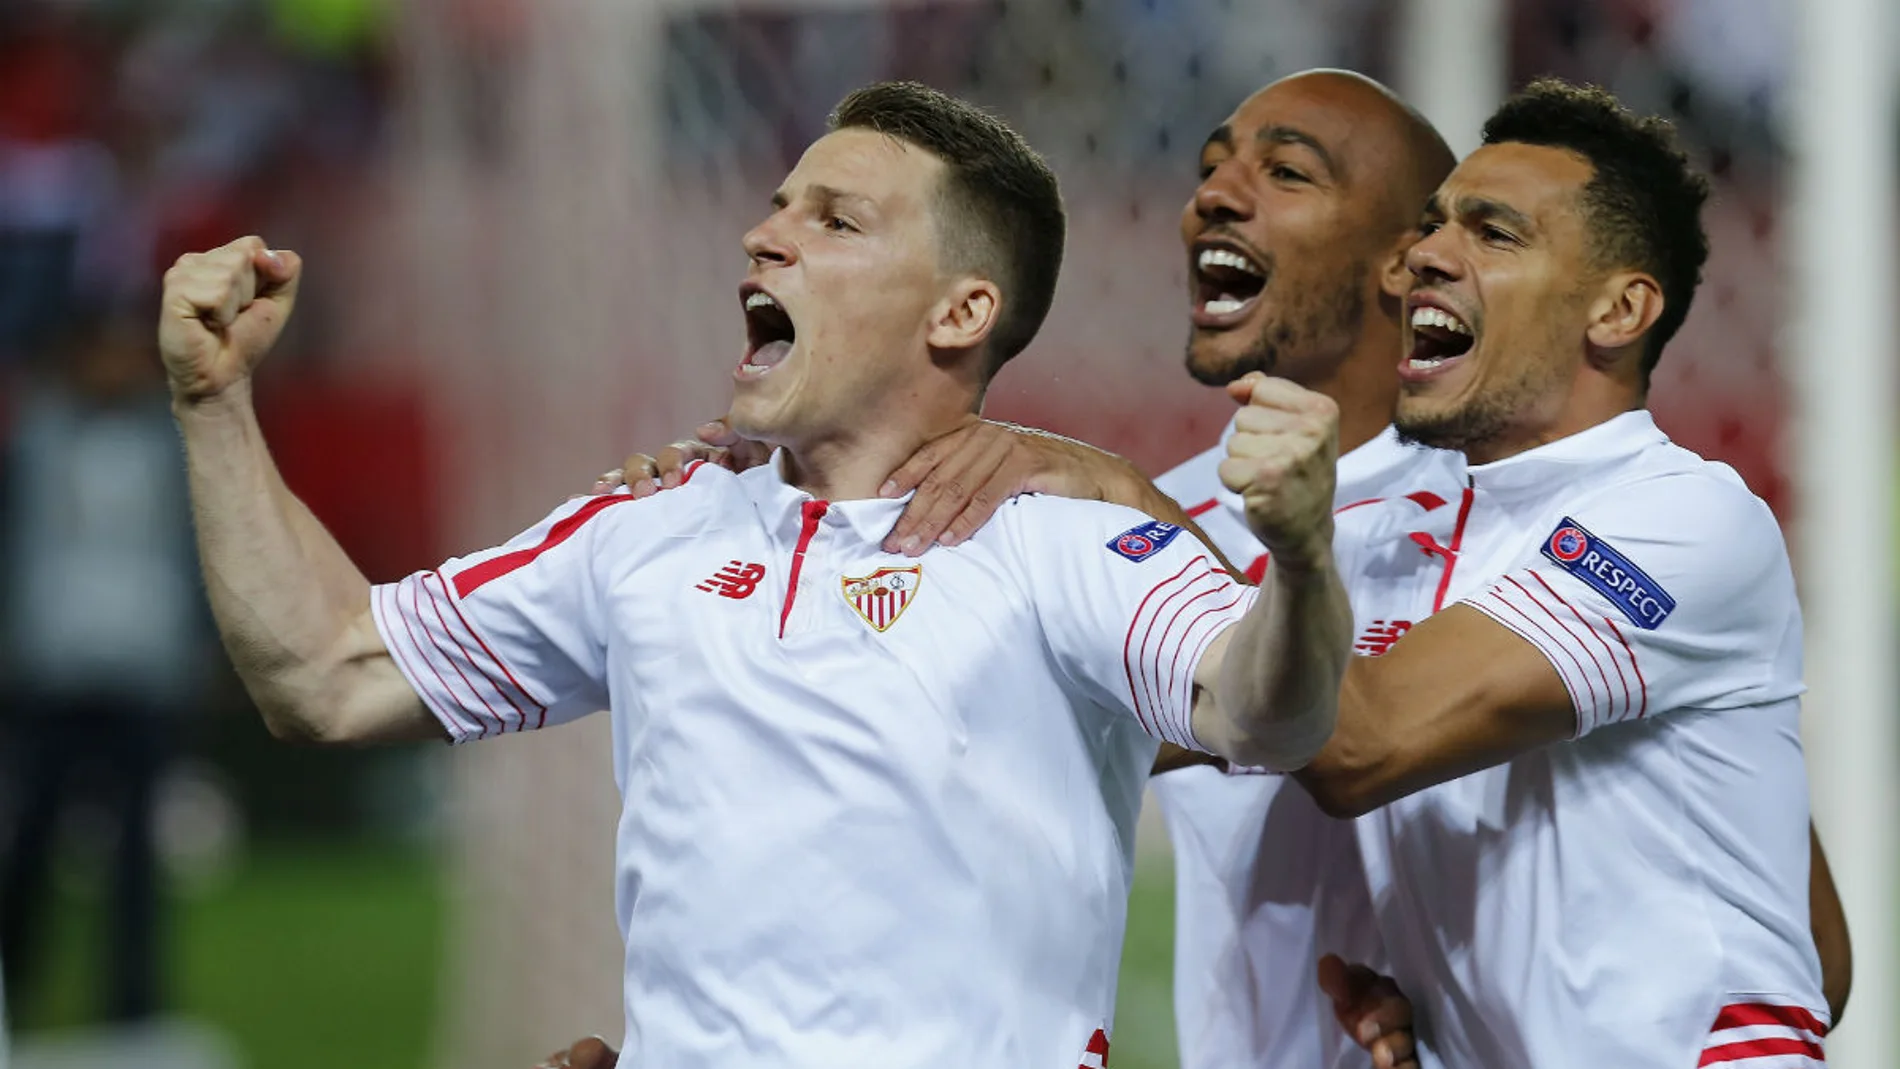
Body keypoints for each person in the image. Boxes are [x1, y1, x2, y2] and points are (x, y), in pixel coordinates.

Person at [607, 69, 1850, 1069]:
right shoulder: (1361, 534)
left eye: (1283, 171)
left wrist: (1125, 497)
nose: (1213, 195)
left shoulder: (1662, 518)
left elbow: (1353, 740)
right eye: (1208, 167)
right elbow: (922, 734)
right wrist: (743, 528)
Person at [161, 81, 1352, 1068]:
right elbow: (328, 674)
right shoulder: (654, 522)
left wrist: (1297, 556)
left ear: (961, 310)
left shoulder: (1057, 532)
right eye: (780, 205)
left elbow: (1268, 712)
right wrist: (214, 402)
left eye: (836, 220)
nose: (763, 233)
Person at [1249, 78, 1827, 1065]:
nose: (1423, 257)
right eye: (1431, 226)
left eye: (1493, 233)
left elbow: (1359, 745)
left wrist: (1095, 484)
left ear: (1618, 307)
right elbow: (1153, 678)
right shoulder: (1381, 531)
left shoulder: (1683, 518)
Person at [0, 306, 208, 1026]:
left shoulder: (170, 442)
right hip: (56, 666)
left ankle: (133, 1005)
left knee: (134, 853)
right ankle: (14, 988)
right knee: (30, 840)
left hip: (142, 664)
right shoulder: (39, 436)